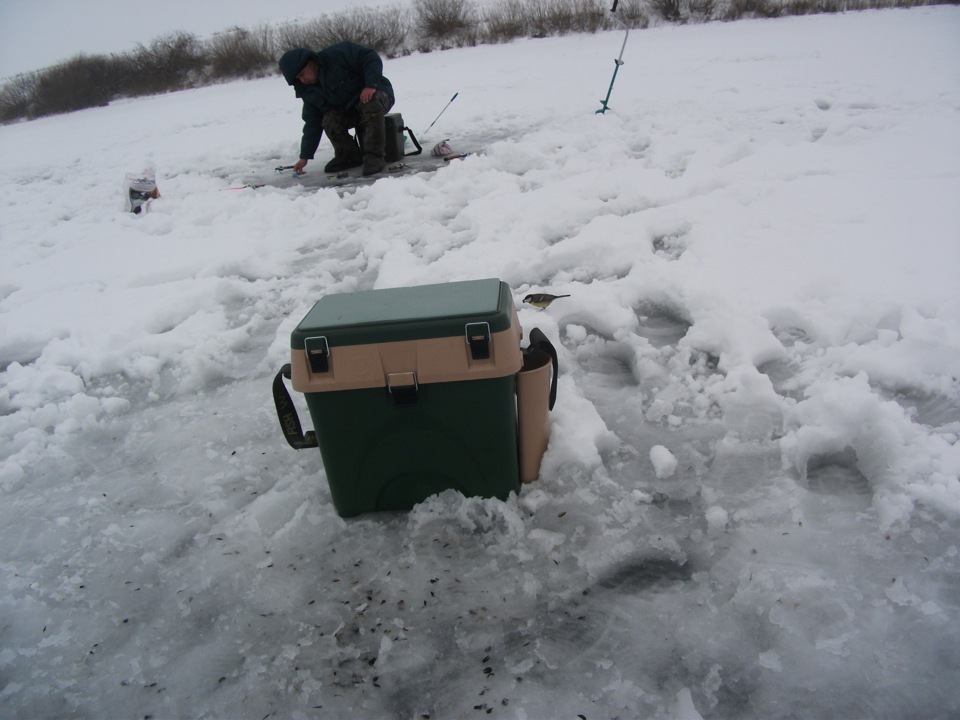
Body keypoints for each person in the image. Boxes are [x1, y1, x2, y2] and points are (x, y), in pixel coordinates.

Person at [279, 43, 395, 177]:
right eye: (298, 78)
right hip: (349, 109)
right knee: (329, 120)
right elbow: (312, 123)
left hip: (376, 94)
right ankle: (349, 156)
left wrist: (371, 84)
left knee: (369, 104)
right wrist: (304, 157)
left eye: (302, 74)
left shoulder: (338, 54)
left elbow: (369, 57)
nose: (303, 80)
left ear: (310, 62)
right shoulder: (308, 91)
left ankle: (375, 157)